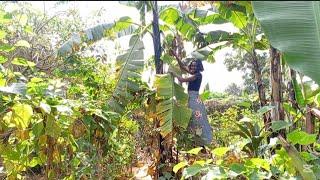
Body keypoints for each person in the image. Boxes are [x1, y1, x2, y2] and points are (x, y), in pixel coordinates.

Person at [169, 50, 213, 147]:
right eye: (191, 65)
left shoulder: (197, 75)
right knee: (194, 119)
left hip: (194, 98)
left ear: (198, 67)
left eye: (195, 66)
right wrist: (176, 55)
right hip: (192, 98)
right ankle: (196, 142)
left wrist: (173, 73)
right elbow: (182, 66)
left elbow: (182, 80)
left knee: (196, 119)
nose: (192, 67)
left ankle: (203, 142)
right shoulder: (194, 73)